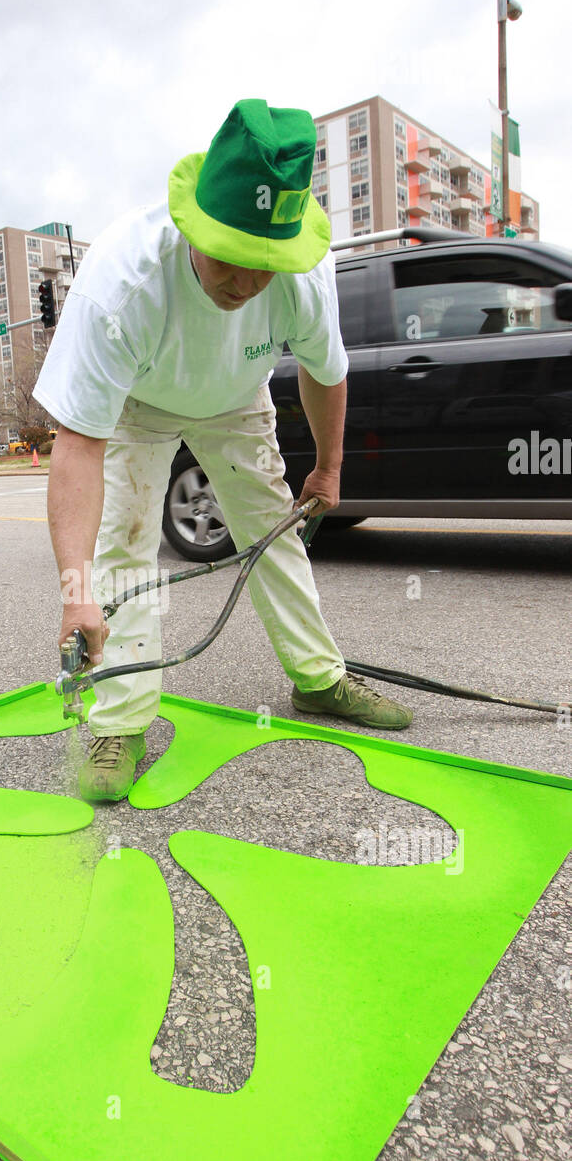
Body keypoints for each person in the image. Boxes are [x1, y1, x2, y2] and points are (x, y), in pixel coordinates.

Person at [36, 99, 412, 804]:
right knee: (125, 542)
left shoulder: (305, 275)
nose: (246, 284)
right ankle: (120, 720)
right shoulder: (121, 285)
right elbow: (79, 445)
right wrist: (75, 591)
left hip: (238, 398)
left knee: (275, 534)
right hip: (139, 407)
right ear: (192, 226)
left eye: (265, 265)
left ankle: (318, 678)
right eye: (231, 260)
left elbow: (326, 372)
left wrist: (328, 467)